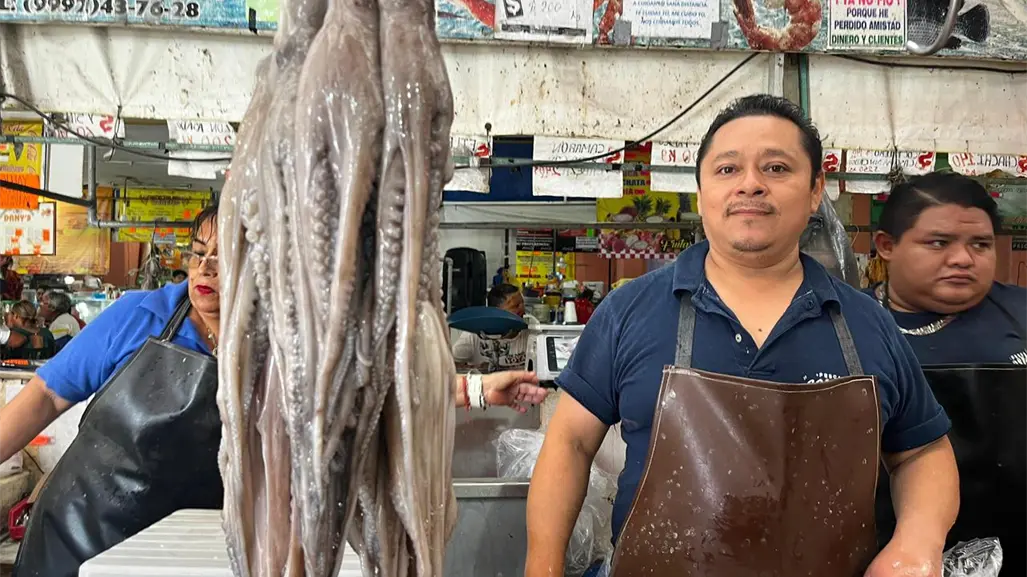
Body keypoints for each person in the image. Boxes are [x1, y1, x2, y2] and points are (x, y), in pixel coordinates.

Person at [526, 94, 958, 577]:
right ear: (701, 191)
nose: (750, 184)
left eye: (776, 168)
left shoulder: (868, 323)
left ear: (815, 191)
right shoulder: (629, 312)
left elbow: (923, 452)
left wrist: (918, 543)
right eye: (728, 169)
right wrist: (542, 566)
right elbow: (570, 442)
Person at [1, 204, 222, 577]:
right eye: (198, 253)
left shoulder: (276, 350)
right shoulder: (141, 315)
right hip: (77, 538)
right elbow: (46, 395)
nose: (205, 268)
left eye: (225, 258)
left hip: (183, 553)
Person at [869, 171, 1027, 573]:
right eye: (939, 243)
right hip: (886, 554)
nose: (963, 259)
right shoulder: (847, 323)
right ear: (887, 246)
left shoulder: (1022, 316)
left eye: (980, 244)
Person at [452, 283, 532, 372]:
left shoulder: (531, 332)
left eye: (522, 304)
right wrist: (476, 369)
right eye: (516, 306)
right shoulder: (473, 336)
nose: (523, 310)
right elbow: (447, 364)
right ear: (496, 311)